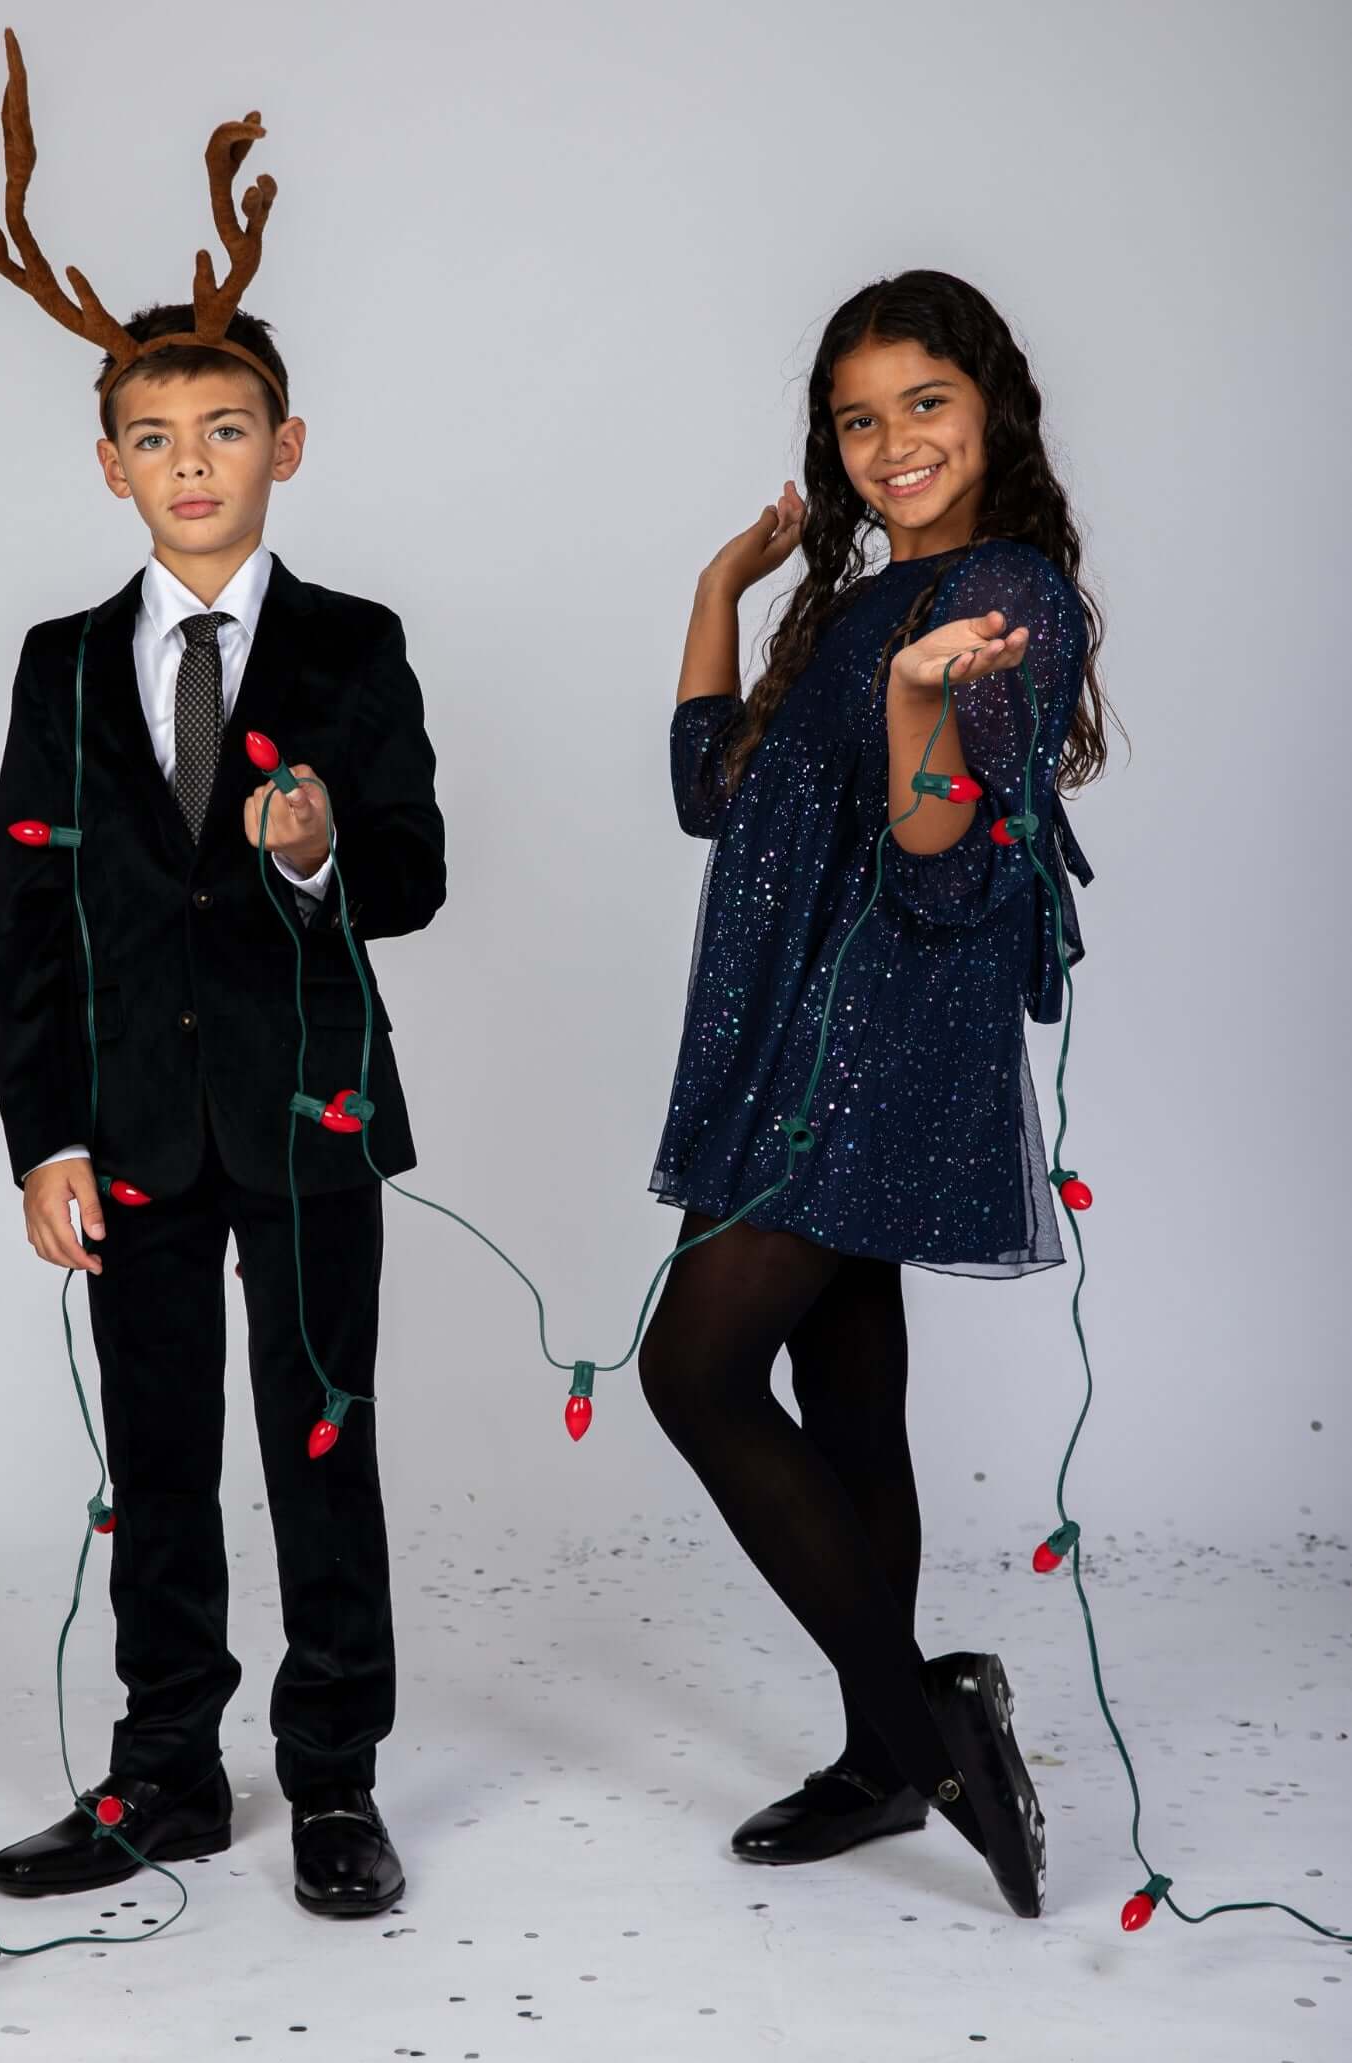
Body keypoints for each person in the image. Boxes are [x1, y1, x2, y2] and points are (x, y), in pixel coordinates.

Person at [0, 33, 443, 1918]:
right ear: (111, 466)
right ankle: (166, 1771)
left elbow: (413, 875)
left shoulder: (355, 644)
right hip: (134, 1132)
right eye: (156, 439)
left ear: (282, 447)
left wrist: (317, 850)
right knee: (158, 1459)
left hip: (308, 1118)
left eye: (225, 431)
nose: (191, 465)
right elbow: (24, 922)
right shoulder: (61, 664)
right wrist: (44, 1140)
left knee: (322, 1450)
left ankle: (332, 1781)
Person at [638, 269, 1113, 1920]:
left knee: (691, 1369)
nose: (890, 441)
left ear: (991, 411)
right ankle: (881, 1753)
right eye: (856, 419)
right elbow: (709, 790)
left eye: (923, 403)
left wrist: (920, 701)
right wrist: (721, 584)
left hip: (881, 1034)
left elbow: (941, 857)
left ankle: (923, 1728)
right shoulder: (854, 603)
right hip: (787, 1026)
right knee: (843, 1395)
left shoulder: (1008, 596)